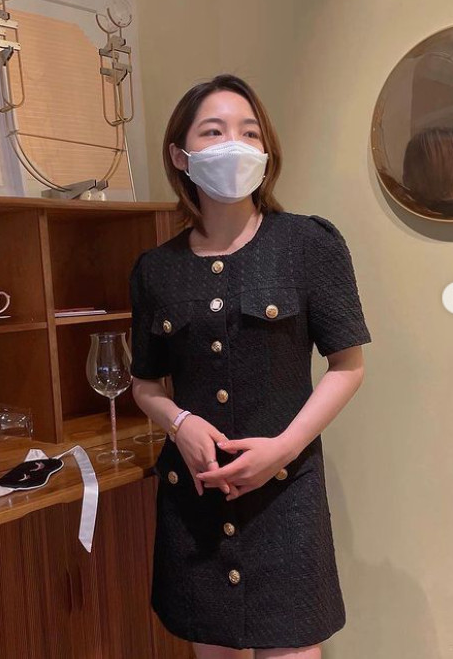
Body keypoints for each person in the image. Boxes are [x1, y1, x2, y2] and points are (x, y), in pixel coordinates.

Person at [129, 73, 372, 659]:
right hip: (195, 501)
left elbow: (347, 365)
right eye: (213, 132)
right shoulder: (155, 270)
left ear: (266, 151)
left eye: (249, 132)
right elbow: (145, 383)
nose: (234, 144)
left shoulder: (308, 244)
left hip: (286, 499)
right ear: (180, 156)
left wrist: (283, 449)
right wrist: (180, 424)